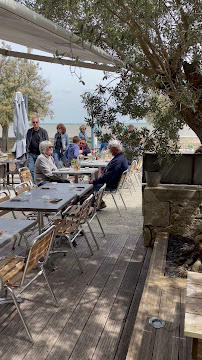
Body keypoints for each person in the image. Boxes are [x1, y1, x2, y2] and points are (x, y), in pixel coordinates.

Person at [26, 117, 49, 182]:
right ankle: (35, 183)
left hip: (40, 154)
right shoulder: (29, 131)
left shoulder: (43, 131)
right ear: (32, 123)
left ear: (38, 123)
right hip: (31, 153)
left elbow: (47, 142)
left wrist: (46, 153)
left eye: (36, 122)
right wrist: (26, 150)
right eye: (34, 122)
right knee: (31, 169)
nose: (35, 123)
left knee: (41, 170)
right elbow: (27, 141)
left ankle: (42, 182)